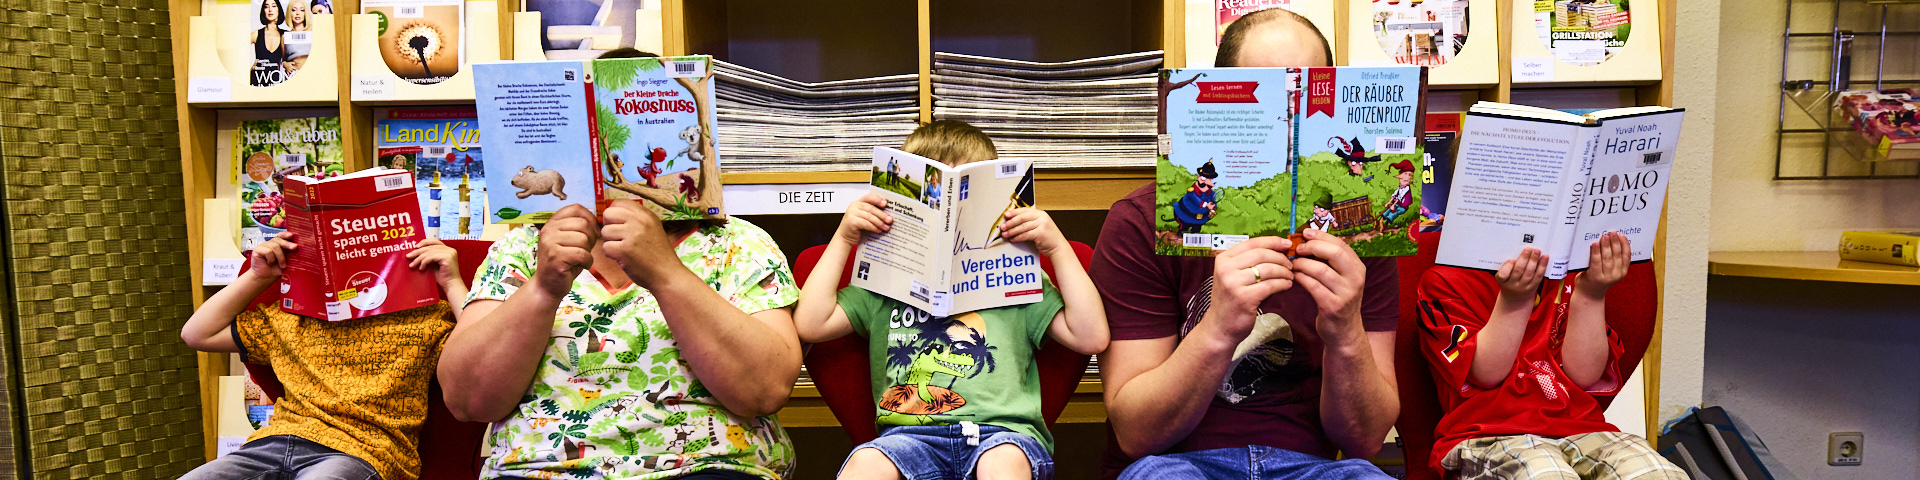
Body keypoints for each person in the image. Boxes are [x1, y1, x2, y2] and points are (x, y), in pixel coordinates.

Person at [439, 47, 803, 480]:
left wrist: (666, 273)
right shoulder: (522, 246)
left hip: (707, 467)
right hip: (541, 470)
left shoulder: (738, 242)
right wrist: (542, 289)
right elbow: (466, 401)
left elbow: (766, 391)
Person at [1093, 8, 1401, 479]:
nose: (1286, 113)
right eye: (1267, 89)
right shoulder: (1140, 223)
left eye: (1303, 88)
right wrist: (1219, 328)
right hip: (1175, 464)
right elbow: (1136, 432)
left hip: (1311, 467)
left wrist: (1346, 333)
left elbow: (1366, 440)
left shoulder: (1361, 233)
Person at [793, 120, 1109, 480]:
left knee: (999, 464)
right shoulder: (884, 281)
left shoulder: (1017, 273)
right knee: (865, 464)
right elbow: (810, 324)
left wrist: (1056, 247)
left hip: (1003, 436)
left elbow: (1091, 337)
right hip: (908, 438)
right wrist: (845, 237)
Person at [178, 232, 467, 480]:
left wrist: (452, 283)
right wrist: (257, 276)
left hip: (364, 450)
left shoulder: (426, 320)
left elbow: (480, 356)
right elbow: (197, 334)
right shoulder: (291, 316)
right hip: (273, 444)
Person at [1417, 233, 1686, 480]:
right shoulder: (1443, 281)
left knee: (1657, 473)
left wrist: (1591, 294)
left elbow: (1584, 375)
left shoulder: (1568, 278)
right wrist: (1515, 299)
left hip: (1581, 428)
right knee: (1546, 475)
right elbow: (1486, 373)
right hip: (1488, 433)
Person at [1173, 160, 1219, 234]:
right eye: (1203, 178)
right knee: (1184, 227)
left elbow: (1214, 202)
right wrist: (1206, 205)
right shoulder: (1191, 191)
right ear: (1199, 177)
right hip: (1185, 214)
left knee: (1196, 230)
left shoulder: (1211, 193)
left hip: (1200, 218)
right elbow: (1196, 200)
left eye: (1209, 179)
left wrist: (1213, 209)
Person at [250, 0, 288, 86]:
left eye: (274, 6)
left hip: (278, 83)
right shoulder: (256, 34)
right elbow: (237, 48)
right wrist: (250, 69)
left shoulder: (286, 35)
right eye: (266, 6)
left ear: (279, 9)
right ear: (263, 11)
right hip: (258, 83)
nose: (270, 9)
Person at [1384, 160, 1416, 225]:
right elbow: (1394, 195)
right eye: (1405, 174)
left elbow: (1400, 197)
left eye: (1409, 175)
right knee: (1387, 211)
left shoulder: (1406, 188)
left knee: (1394, 213)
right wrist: (1389, 202)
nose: (1408, 176)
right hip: (1396, 204)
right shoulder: (1400, 187)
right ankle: (1381, 220)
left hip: (1403, 207)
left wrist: (1393, 205)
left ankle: (1386, 224)